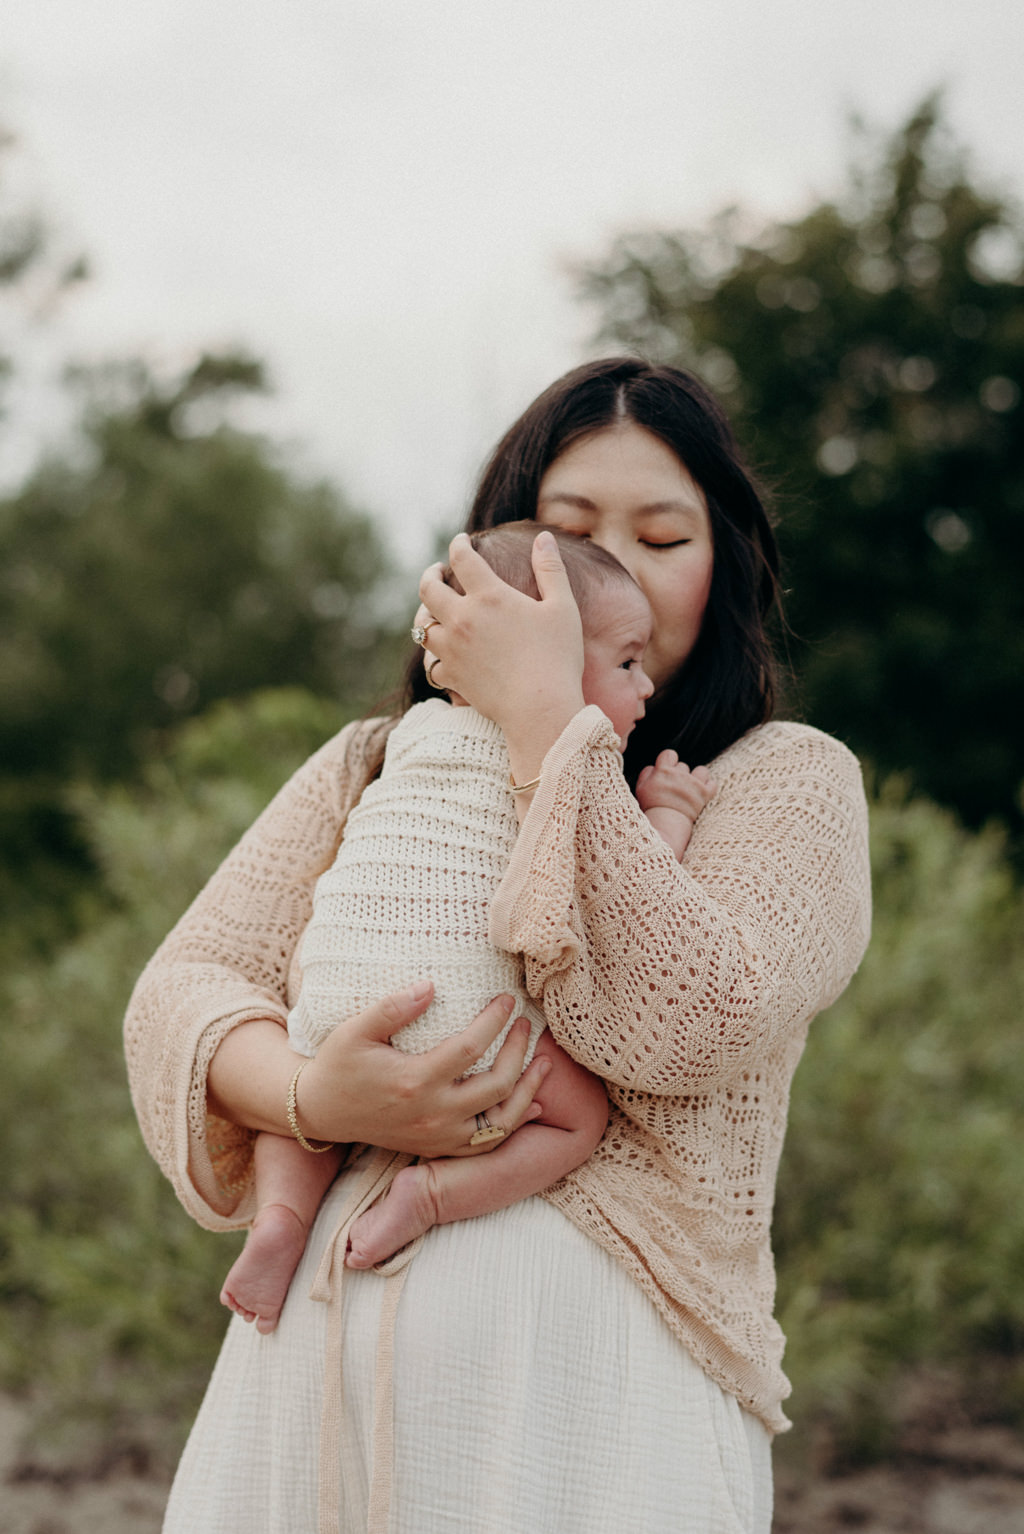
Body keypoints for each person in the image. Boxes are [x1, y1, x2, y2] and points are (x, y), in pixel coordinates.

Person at [125, 358, 871, 1534]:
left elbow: (689, 1020)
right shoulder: (380, 760)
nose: (605, 577)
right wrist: (317, 1093)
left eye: (662, 537)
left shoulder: (781, 785)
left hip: (606, 1392)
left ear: (724, 558)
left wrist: (548, 723)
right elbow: (184, 990)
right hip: (309, 1361)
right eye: (571, 533)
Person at [219, 524, 716, 1334]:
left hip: (332, 1004)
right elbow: (627, 891)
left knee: (295, 1107)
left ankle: (280, 1217)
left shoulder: (406, 738)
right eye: (627, 663)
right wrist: (666, 812)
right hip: (468, 1016)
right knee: (577, 1119)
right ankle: (430, 1196)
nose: (646, 687)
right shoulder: (569, 760)